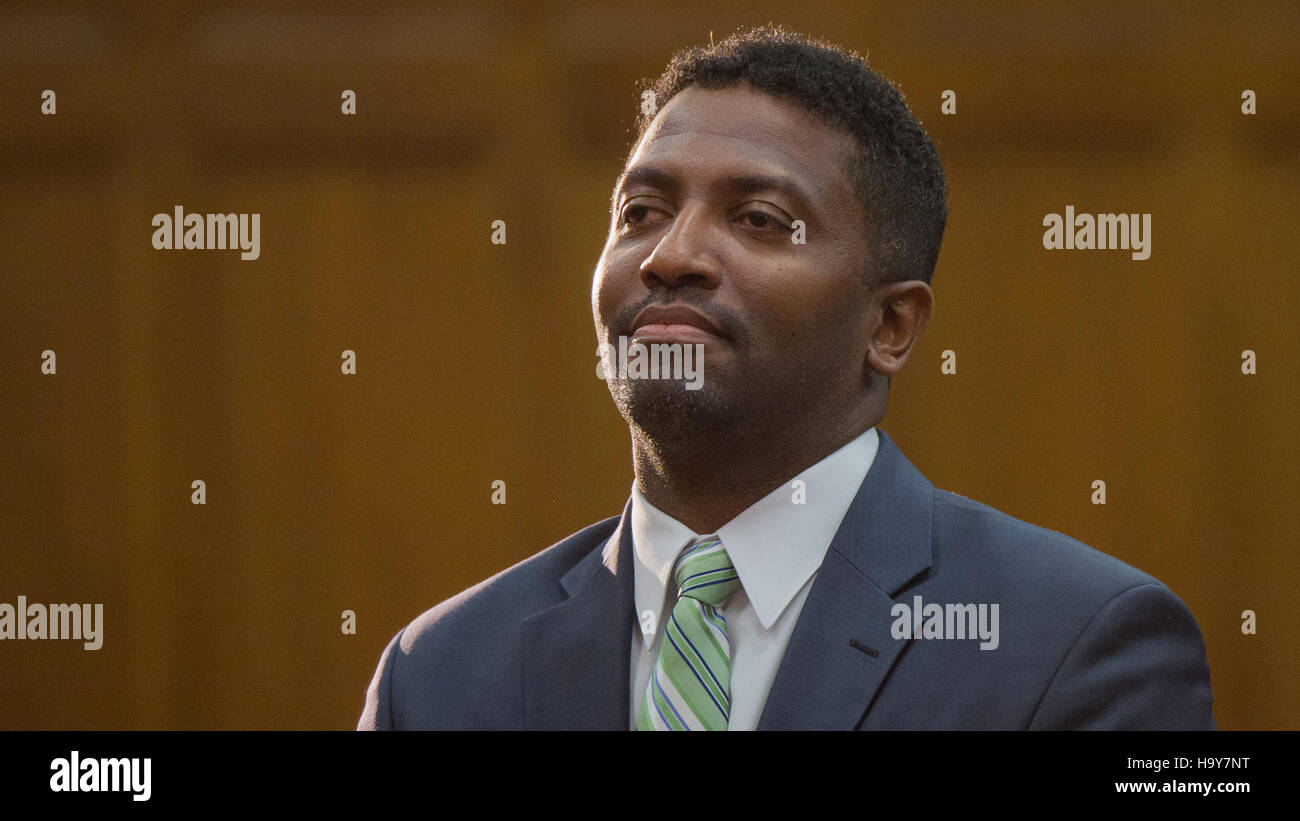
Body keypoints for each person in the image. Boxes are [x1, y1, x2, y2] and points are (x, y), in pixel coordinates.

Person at [358, 26, 1215, 730]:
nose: (671, 255)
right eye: (641, 212)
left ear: (889, 326)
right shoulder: (436, 675)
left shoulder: (1084, 646)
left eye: (760, 220)